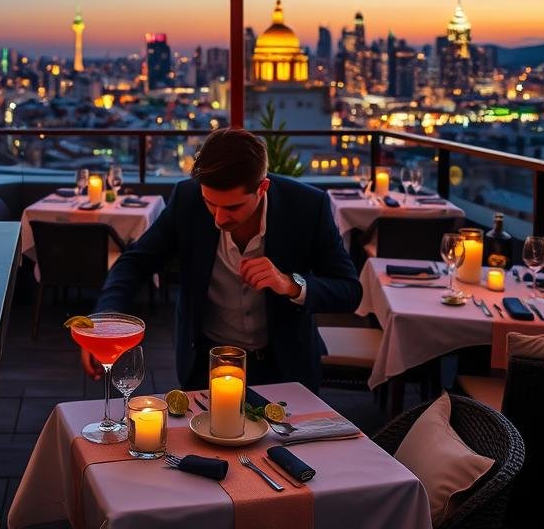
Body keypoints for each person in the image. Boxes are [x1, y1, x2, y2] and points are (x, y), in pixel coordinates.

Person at [83, 127, 361, 392]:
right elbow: (135, 263)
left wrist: (290, 284)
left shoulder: (308, 207)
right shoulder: (187, 199)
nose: (218, 218)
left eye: (232, 207)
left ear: (262, 188)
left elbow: (349, 291)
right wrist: (104, 325)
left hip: (285, 367)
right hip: (206, 366)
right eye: (210, 203)